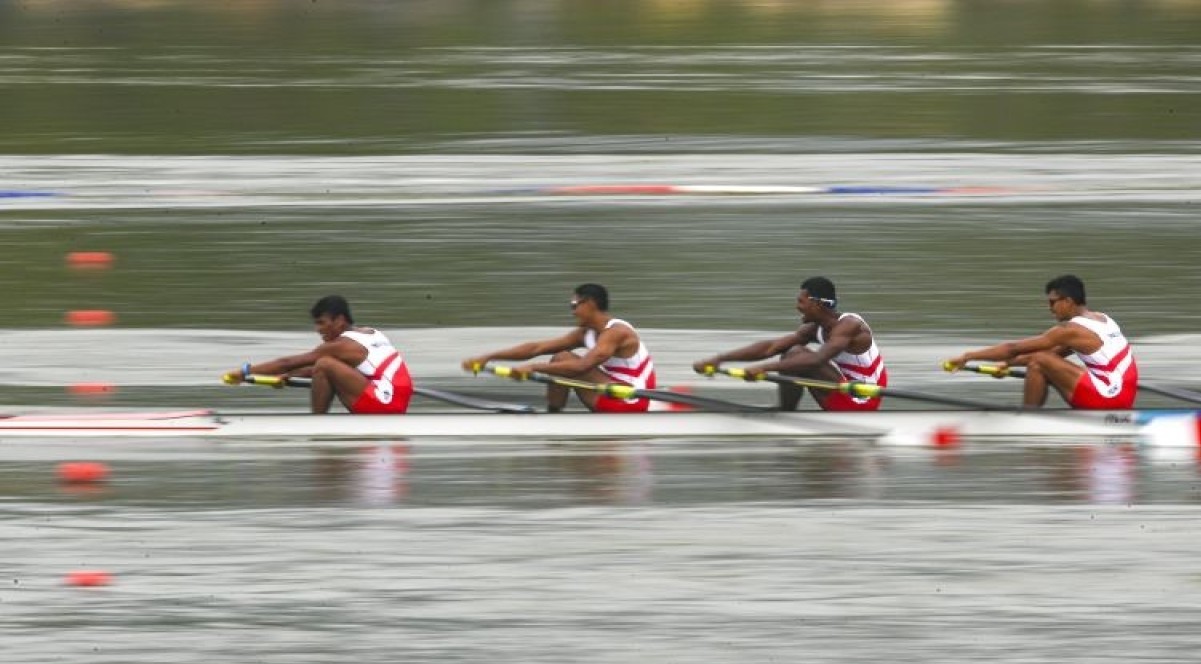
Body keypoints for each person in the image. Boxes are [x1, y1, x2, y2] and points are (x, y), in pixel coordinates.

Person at [692, 276, 888, 411]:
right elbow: (771, 347)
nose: (797, 307)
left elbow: (817, 361)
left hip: (863, 400)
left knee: (796, 354)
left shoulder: (850, 325)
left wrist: (763, 368)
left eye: (801, 302)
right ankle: (786, 412)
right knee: (790, 351)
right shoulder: (813, 329)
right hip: (840, 396)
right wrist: (719, 359)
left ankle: (785, 412)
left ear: (817, 304)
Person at [944, 274, 1139, 409]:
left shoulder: (1070, 330)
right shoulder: (1102, 319)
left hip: (1108, 398)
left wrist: (968, 357)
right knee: (1040, 362)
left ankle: (1028, 418)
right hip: (1123, 397)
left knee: (1038, 360)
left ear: (1068, 301)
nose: (1049, 308)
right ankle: (1032, 414)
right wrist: (1006, 364)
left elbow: (1012, 348)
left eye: (1053, 302)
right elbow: (1055, 354)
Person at [460, 283, 657, 413]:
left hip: (633, 400)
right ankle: (553, 416)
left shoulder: (617, 332)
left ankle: (553, 418)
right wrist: (488, 357)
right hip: (610, 395)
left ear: (590, 304)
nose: (572, 312)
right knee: (560, 356)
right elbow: (536, 348)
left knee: (563, 359)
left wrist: (534, 368)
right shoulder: (585, 333)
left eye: (574, 305)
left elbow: (582, 368)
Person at [224, 295, 414, 414]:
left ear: (339, 320)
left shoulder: (341, 345)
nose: (318, 329)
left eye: (322, 323)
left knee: (324, 364)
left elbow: (287, 362)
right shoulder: (371, 332)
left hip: (384, 403)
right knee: (325, 365)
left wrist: (245, 372)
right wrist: (290, 376)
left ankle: (317, 424)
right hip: (396, 399)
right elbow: (319, 371)